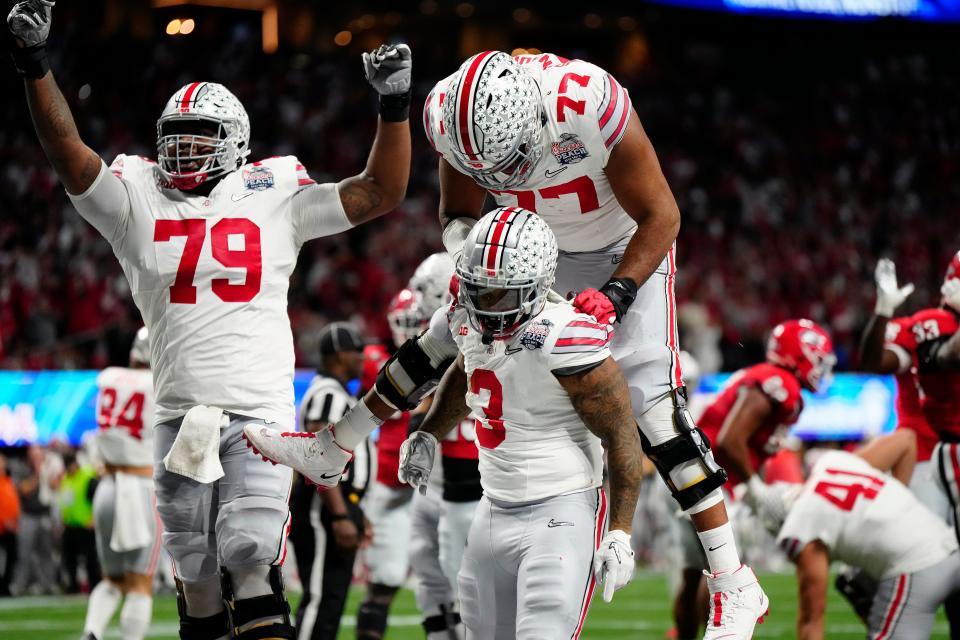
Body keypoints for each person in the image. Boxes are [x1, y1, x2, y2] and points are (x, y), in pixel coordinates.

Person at [247, 51, 770, 639]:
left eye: (511, 162)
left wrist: (619, 292)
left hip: (621, 244)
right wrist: (475, 256)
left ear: (537, 121)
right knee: (449, 333)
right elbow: (457, 214)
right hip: (532, 253)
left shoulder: (589, 101)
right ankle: (335, 445)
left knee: (652, 406)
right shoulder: (449, 116)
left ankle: (733, 582)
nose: (504, 177)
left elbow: (662, 215)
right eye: (487, 169)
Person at [7, 0, 411, 635]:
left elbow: (380, 192)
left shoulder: (274, 193)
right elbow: (67, 151)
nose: (183, 150)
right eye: (174, 137)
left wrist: (392, 107)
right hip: (178, 416)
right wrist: (34, 63)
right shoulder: (134, 198)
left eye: (199, 138)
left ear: (237, 144)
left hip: (258, 413)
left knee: (250, 554)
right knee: (194, 574)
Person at [669, 319, 833, 638]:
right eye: (819, 359)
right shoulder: (778, 382)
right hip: (712, 485)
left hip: (690, 477)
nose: (822, 369)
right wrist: (754, 489)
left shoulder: (766, 377)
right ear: (800, 353)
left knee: (693, 577)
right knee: (724, 574)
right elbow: (731, 441)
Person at [751, 431, 960, 640]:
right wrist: (896, 508)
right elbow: (906, 439)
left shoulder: (798, 527)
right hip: (950, 544)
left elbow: (811, 621)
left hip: (916, 566)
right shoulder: (831, 463)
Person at [859, 256, 960, 539]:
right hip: (925, 459)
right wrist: (882, 311)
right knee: (925, 546)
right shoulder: (931, 325)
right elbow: (873, 361)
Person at [285, 322, 373, 640]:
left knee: (332, 600)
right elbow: (318, 460)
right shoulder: (326, 394)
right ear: (338, 354)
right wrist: (338, 514)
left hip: (336, 505)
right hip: (323, 506)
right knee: (320, 598)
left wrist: (355, 511)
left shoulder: (335, 393)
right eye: (356, 350)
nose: (362, 357)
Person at [82, 327, 160, 640]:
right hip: (140, 488)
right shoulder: (158, 385)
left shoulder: (109, 378)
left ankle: (92, 631)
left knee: (111, 578)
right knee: (140, 582)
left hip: (107, 486)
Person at [57, 450, 99, 593]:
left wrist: (94, 518)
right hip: (71, 525)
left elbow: (97, 499)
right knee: (69, 558)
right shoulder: (66, 479)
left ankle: (94, 586)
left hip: (86, 525)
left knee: (90, 559)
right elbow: (65, 502)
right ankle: (73, 586)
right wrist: (63, 521)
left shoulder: (87, 477)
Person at [0, 454, 19, 597]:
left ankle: (6, 586)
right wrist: (4, 520)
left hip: (11, 527)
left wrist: (14, 520)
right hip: (2, 526)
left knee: (12, 557)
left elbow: (12, 503)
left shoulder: (7, 481)